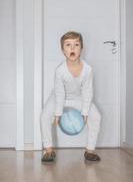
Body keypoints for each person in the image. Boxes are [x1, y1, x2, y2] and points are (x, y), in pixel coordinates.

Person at [40, 31, 101, 162]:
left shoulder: (88, 69)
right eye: (68, 45)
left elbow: (87, 91)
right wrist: (58, 113)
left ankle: (90, 151)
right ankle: (48, 150)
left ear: (81, 48)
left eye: (76, 44)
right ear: (63, 50)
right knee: (45, 115)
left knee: (96, 116)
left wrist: (85, 112)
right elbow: (60, 93)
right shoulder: (60, 70)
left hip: (79, 98)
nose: (72, 48)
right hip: (58, 97)